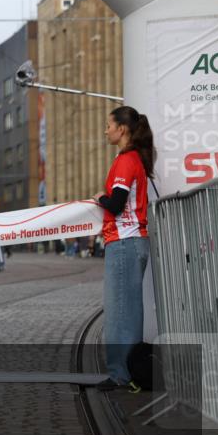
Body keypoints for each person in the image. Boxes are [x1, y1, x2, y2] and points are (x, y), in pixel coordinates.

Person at [92, 106, 155, 394]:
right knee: (129, 312)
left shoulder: (125, 161)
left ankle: (119, 374)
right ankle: (130, 372)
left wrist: (99, 198)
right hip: (133, 242)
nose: (106, 130)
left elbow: (116, 203)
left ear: (122, 130)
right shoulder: (135, 160)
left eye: (108, 125)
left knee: (118, 313)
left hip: (124, 242)